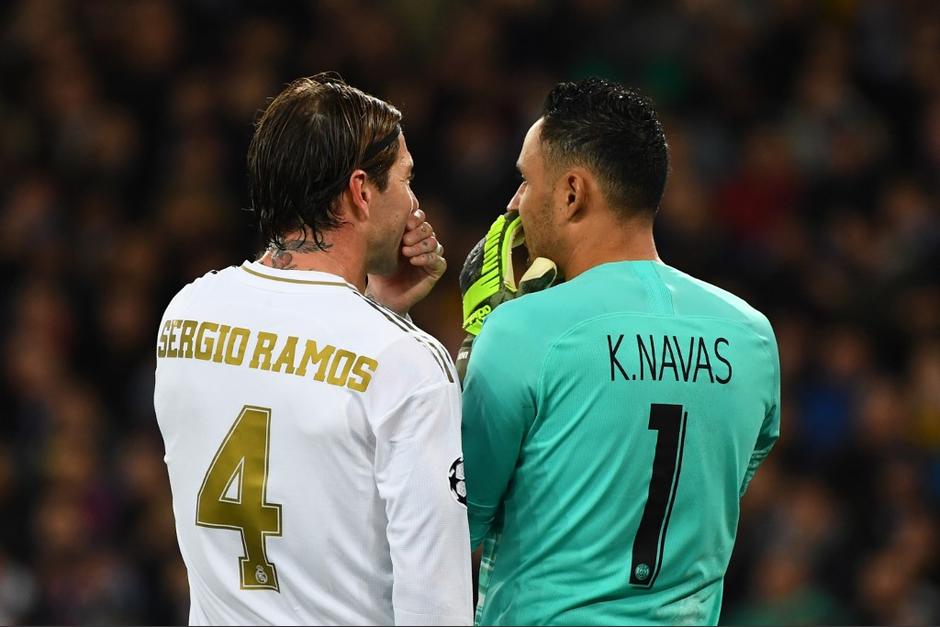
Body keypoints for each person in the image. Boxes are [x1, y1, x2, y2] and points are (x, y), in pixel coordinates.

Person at [153, 73, 472, 626]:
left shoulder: (184, 315)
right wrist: (385, 322)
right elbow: (435, 602)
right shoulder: (405, 361)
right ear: (360, 191)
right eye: (405, 179)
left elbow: (289, 391)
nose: (414, 201)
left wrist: (378, 307)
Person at [459, 78, 781, 625]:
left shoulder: (520, 331)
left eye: (524, 180)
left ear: (571, 193)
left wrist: (472, 349)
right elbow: (724, 484)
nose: (514, 203)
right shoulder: (752, 336)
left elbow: (456, 517)